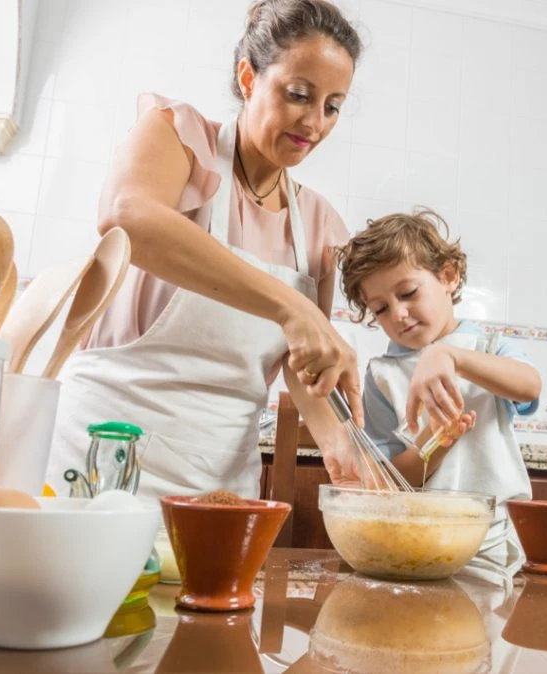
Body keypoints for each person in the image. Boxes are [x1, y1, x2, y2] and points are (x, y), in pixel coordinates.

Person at [45, 0, 365, 501]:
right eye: (299, 94)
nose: (315, 123)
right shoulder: (180, 137)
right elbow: (127, 218)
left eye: (332, 106)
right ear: (247, 77)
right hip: (103, 452)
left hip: (216, 482)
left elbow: (303, 361)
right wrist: (290, 304)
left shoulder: (319, 225)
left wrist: (337, 442)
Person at [336, 209, 542, 575]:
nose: (398, 314)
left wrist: (451, 356)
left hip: (496, 541)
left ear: (448, 276)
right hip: (423, 544)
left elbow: (529, 386)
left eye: (408, 293)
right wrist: (434, 441)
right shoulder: (381, 377)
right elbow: (393, 483)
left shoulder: (488, 348)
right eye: (381, 308)